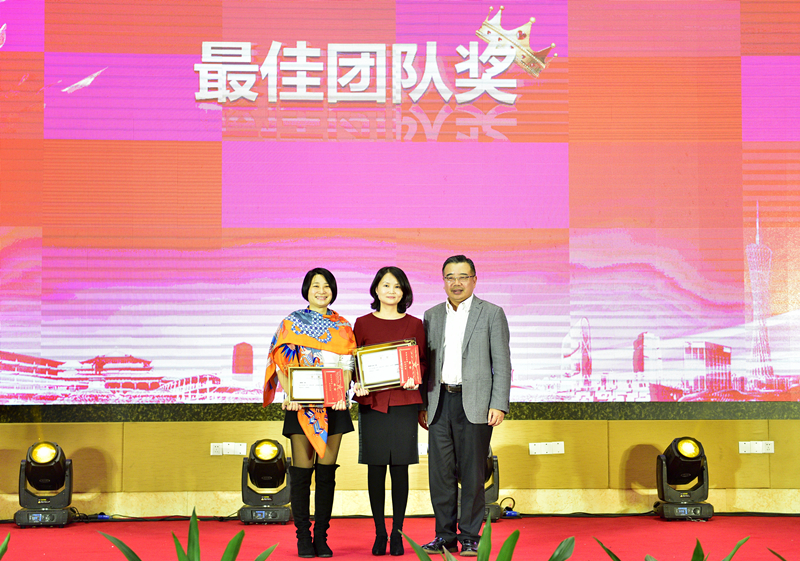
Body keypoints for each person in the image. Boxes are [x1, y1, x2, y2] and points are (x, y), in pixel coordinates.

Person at [419, 255, 511, 557]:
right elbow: (425, 364)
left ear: (474, 279)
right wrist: (423, 403)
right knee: (440, 474)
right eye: (450, 277)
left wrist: (498, 403)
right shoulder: (431, 315)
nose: (456, 283)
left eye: (462, 277)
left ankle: (470, 536)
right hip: (439, 401)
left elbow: (502, 363)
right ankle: (444, 536)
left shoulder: (492, 313)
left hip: (476, 403)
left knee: (472, 474)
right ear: (443, 280)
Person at [264, 268, 356, 558]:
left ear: (333, 290)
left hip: (334, 407)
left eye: (327, 286)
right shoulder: (291, 323)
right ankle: (303, 537)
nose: (321, 291)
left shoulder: (343, 325)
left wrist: (341, 394)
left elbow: (347, 365)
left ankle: (321, 537)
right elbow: (280, 362)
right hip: (300, 407)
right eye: (316, 285)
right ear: (306, 289)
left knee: (326, 475)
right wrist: (290, 395)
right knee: (302, 475)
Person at [353, 267, 427, 557]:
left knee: (400, 469)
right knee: (375, 469)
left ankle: (397, 533)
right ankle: (379, 532)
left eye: (397, 286)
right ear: (376, 289)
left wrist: (415, 375)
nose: (391, 291)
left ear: (404, 291)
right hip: (373, 404)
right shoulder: (362, 323)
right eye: (386, 285)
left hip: (404, 404)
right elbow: (353, 363)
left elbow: (423, 362)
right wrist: (357, 382)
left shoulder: (415, 324)